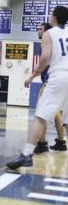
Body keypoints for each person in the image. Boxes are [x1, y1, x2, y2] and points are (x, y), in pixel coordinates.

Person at [7, 6, 68, 170]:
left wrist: (34, 74)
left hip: (59, 77)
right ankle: (58, 143)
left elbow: (45, 58)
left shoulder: (49, 34)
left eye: (51, 15)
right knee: (64, 120)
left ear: (54, 17)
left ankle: (27, 154)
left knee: (40, 116)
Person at [26, 22, 67, 153]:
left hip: (52, 82)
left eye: (40, 29)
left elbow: (45, 60)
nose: (38, 31)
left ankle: (42, 144)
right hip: (60, 82)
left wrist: (31, 77)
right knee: (56, 114)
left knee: (40, 113)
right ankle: (61, 142)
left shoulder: (48, 41)